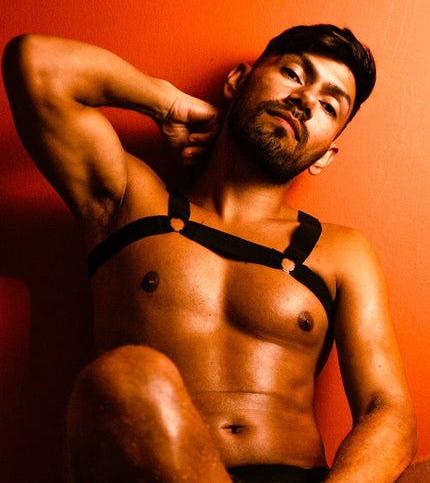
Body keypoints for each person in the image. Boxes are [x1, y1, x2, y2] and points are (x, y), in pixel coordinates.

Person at [2, 24, 419, 483]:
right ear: (238, 80)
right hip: (157, 472)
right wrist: (169, 104)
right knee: (128, 376)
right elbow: (36, 63)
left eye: (328, 105)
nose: (304, 100)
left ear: (325, 156)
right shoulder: (129, 200)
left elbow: (388, 411)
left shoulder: (341, 251)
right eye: (294, 74)